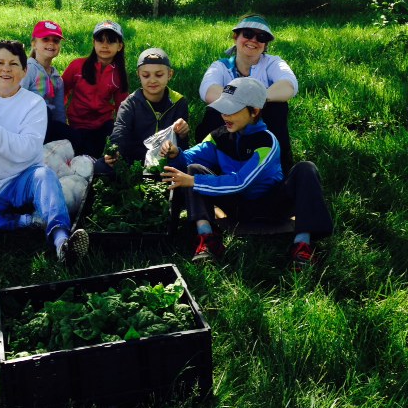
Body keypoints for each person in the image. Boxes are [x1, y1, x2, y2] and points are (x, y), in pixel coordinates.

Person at [160, 77, 333, 270]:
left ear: (254, 111)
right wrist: (176, 154)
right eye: (223, 109)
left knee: (306, 168)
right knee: (193, 171)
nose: (225, 115)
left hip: (272, 206)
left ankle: (302, 245)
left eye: (232, 110)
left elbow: (242, 182)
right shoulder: (219, 135)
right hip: (236, 205)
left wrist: (194, 182)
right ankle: (208, 240)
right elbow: (190, 160)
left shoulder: (267, 143)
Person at [0, 40, 89, 264]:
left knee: (44, 174)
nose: (6, 69)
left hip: (21, 181)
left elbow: (27, 151)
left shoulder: (33, 103)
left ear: (24, 70)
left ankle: (61, 241)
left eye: (13, 64)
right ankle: (26, 222)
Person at [196, 14, 297, 173]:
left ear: (265, 44)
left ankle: (281, 166)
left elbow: (289, 85)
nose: (254, 40)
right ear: (236, 37)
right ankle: (212, 165)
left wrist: (255, 100)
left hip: (261, 126)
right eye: (248, 34)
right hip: (227, 128)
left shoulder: (273, 63)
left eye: (261, 37)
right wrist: (239, 107)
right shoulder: (221, 66)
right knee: (214, 110)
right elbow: (208, 91)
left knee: (278, 107)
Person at [94, 47, 189, 174]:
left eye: (159, 75)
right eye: (146, 75)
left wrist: (183, 133)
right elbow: (120, 130)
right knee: (101, 166)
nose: (152, 80)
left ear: (169, 74)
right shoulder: (130, 103)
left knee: (191, 168)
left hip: (165, 160)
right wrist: (114, 150)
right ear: (139, 75)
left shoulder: (179, 102)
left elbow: (183, 144)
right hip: (134, 160)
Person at [62, 20, 129, 158]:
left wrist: (124, 131)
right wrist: (60, 117)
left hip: (103, 124)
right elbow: (61, 90)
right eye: (100, 40)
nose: (104, 46)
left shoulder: (119, 74)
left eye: (111, 41)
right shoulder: (77, 66)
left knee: (106, 155)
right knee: (80, 154)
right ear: (94, 43)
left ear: (120, 46)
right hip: (77, 124)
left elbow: (122, 107)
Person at [20, 20, 78, 148]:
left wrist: (62, 132)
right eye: (45, 39)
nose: (51, 43)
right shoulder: (28, 69)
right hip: (28, 123)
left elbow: (59, 111)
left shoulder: (57, 79)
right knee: (44, 109)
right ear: (34, 44)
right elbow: (16, 98)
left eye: (56, 40)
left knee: (75, 137)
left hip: (49, 125)